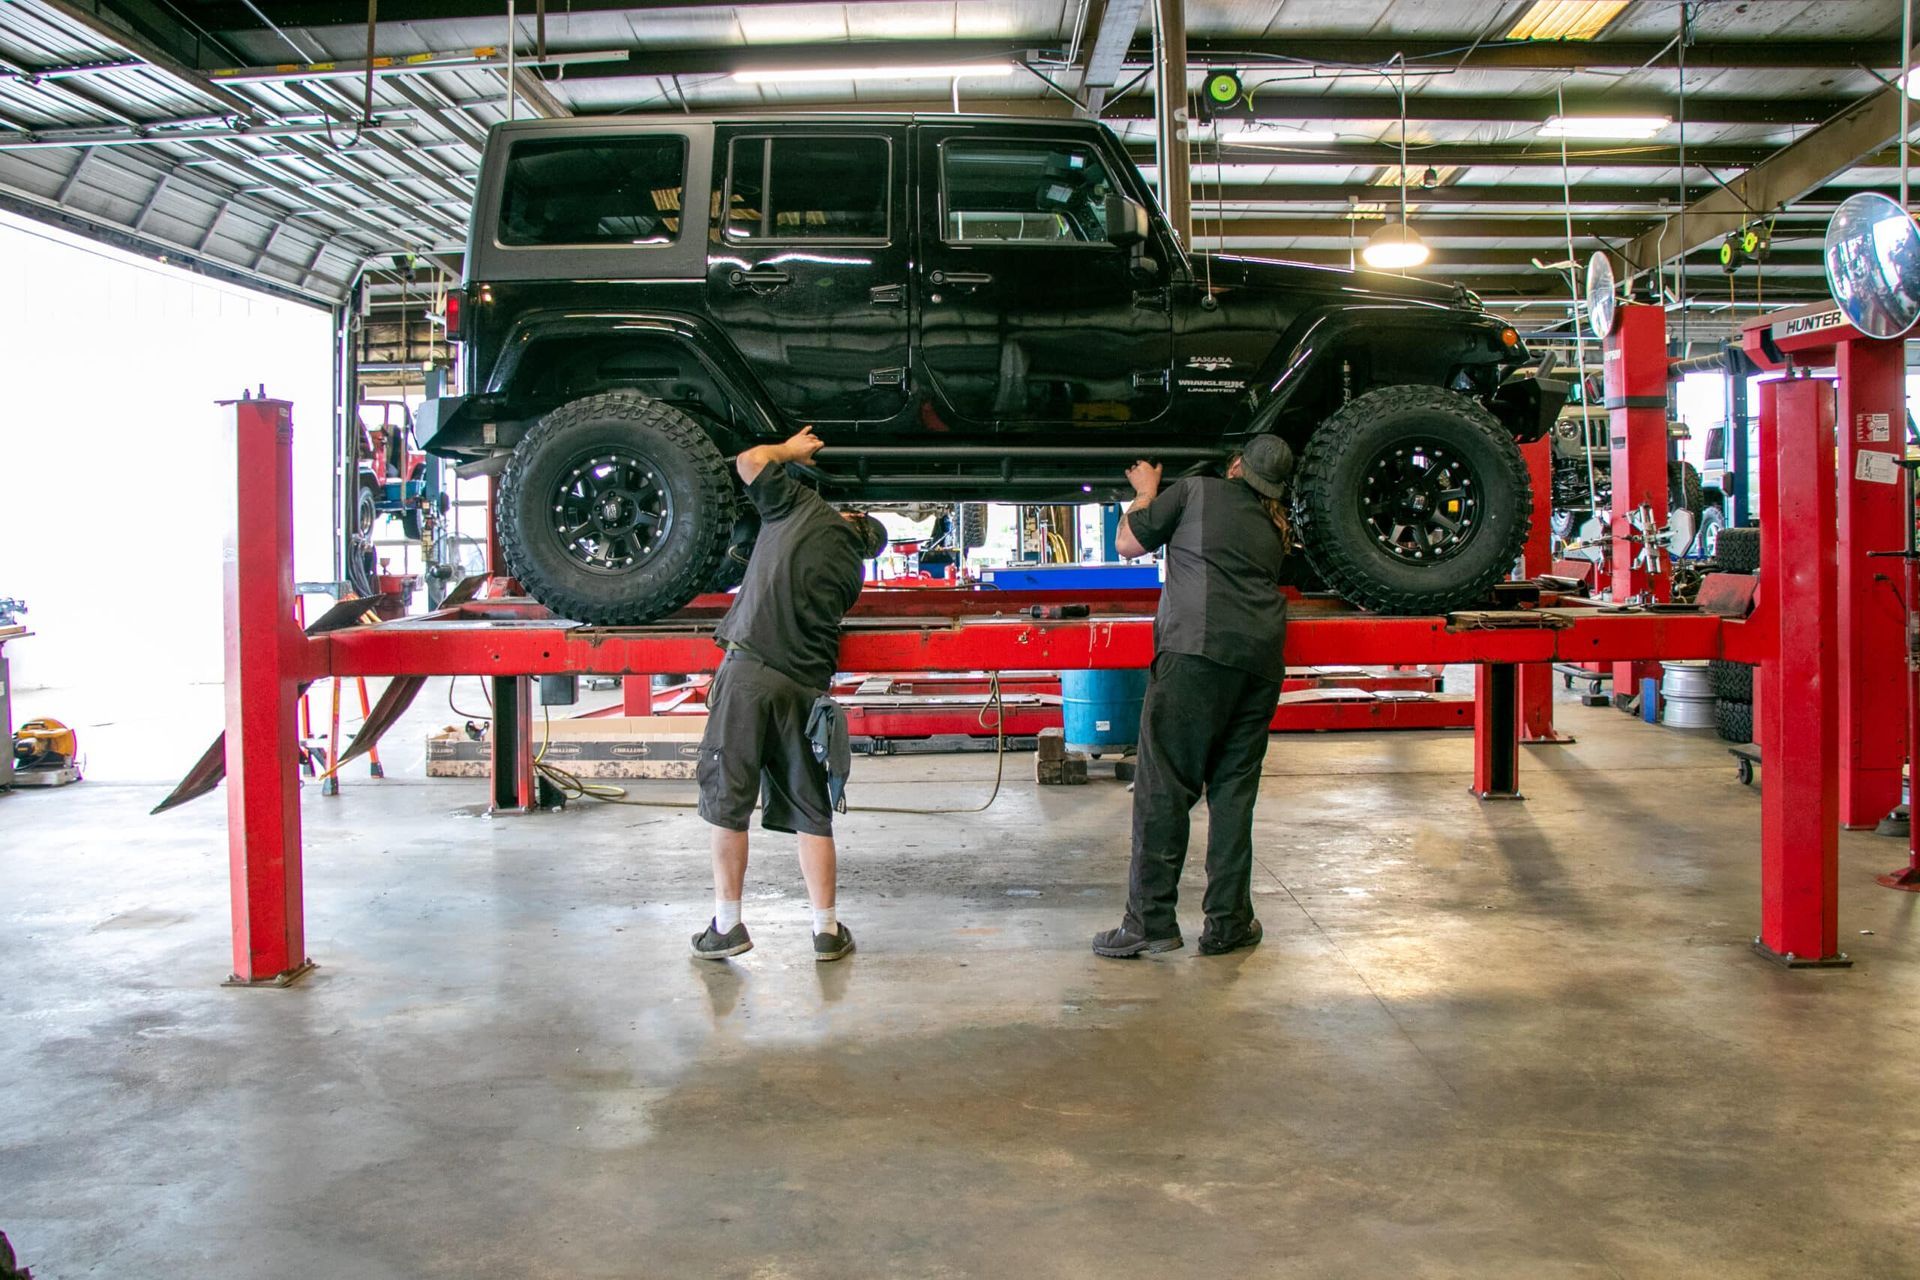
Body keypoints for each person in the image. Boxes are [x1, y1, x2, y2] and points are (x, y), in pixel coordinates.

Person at [1092, 434, 1295, 959]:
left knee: (1164, 788)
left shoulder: (1198, 490)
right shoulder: (1277, 529)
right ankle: (1228, 922)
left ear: (1235, 466)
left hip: (1196, 654)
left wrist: (1146, 490)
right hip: (1259, 665)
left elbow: (1128, 543)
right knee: (1232, 794)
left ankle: (1150, 923)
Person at [691, 426, 888, 963]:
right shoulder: (852, 576)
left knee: (728, 802)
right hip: (803, 692)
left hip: (751, 673)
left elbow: (750, 461)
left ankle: (727, 926)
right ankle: (827, 932)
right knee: (810, 809)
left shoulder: (804, 507)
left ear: (852, 518)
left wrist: (790, 452)